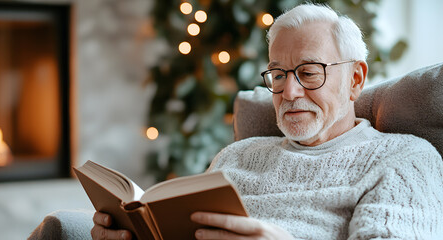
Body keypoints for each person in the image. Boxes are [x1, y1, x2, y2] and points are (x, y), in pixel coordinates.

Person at [91, 3, 443, 239]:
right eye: (277, 74)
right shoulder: (237, 156)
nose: (288, 91)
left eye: (308, 72)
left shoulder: (404, 160)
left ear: (355, 79)